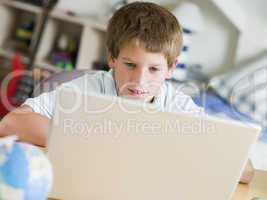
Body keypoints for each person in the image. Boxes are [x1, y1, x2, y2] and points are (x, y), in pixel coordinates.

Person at [0, 1, 253, 183]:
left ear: (170, 69)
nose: (138, 80)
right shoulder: (88, 89)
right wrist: (93, 139)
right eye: (130, 65)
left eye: (154, 69)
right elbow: (12, 122)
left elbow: (246, 170)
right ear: (111, 58)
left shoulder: (177, 104)